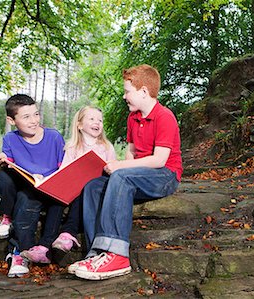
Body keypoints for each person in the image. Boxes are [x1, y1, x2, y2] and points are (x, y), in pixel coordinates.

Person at [69, 64, 183, 280]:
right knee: (94, 186)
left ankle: (117, 255)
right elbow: (131, 153)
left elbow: (160, 160)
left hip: (165, 176)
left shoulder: (164, 116)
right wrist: (117, 170)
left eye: (127, 91)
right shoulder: (133, 118)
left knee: (120, 176)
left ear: (143, 92)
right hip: (138, 174)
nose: (124, 96)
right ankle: (98, 253)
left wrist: (119, 168)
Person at [0, 94, 65, 277]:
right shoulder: (10, 139)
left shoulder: (54, 137)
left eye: (36, 114)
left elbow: (64, 168)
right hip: (26, 188)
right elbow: (9, 168)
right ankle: (19, 249)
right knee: (12, 184)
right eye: (26, 117)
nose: (34, 121)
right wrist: (2, 160)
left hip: (50, 190)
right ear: (12, 120)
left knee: (27, 198)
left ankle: (18, 252)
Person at [51, 106, 117, 253]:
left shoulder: (106, 147)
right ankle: (62, 237)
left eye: (100, 120)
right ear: (80, 125)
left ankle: (69, 232)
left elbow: (114, 171)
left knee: (87, 190)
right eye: (92, 119)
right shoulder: (73, 147)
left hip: (99, 188)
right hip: (76, 190)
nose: (97, 123)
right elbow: (64, 172)